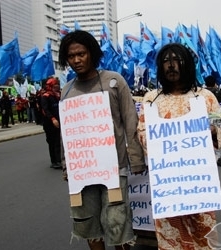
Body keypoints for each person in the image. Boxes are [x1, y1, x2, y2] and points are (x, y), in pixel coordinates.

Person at [58, 30, 146, 250]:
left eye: (81, 54)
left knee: (117, 222)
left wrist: (136, 159)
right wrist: (67, 165)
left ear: (92, 53)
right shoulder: (67, 91)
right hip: (82, 171)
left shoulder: (114, 81)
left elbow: (130, 122)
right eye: (71, 56)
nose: (76, 60)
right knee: (88, 223)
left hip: (114, 170)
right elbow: (66, 135)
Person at [137, 43, 221, 249]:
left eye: (177, 60)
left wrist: (213, 132)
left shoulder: (205, 97)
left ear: (187, 65)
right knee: (171, 236)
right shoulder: (152, 99)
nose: (171, 65)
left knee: (202, 235)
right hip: (168, 184)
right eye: (166, 61)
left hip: (199, 182)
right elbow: (142, 133)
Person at [204, 75, 221, 167]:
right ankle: (217, 157)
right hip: (215, 116)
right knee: (214, 137)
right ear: (214, 83)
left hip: (205, 116)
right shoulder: (216, 91)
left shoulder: (203, 92)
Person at [41, 77, 62, 169]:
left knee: (58, 142)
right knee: (52, 142)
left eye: (57, 85)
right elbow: (45, 110)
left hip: (58, 122)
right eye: (55, 85)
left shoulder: (57, 96)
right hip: (49, 123)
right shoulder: (45, 96)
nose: (57, 87)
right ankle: (54, 161)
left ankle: (59, 159)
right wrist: (53, 119)